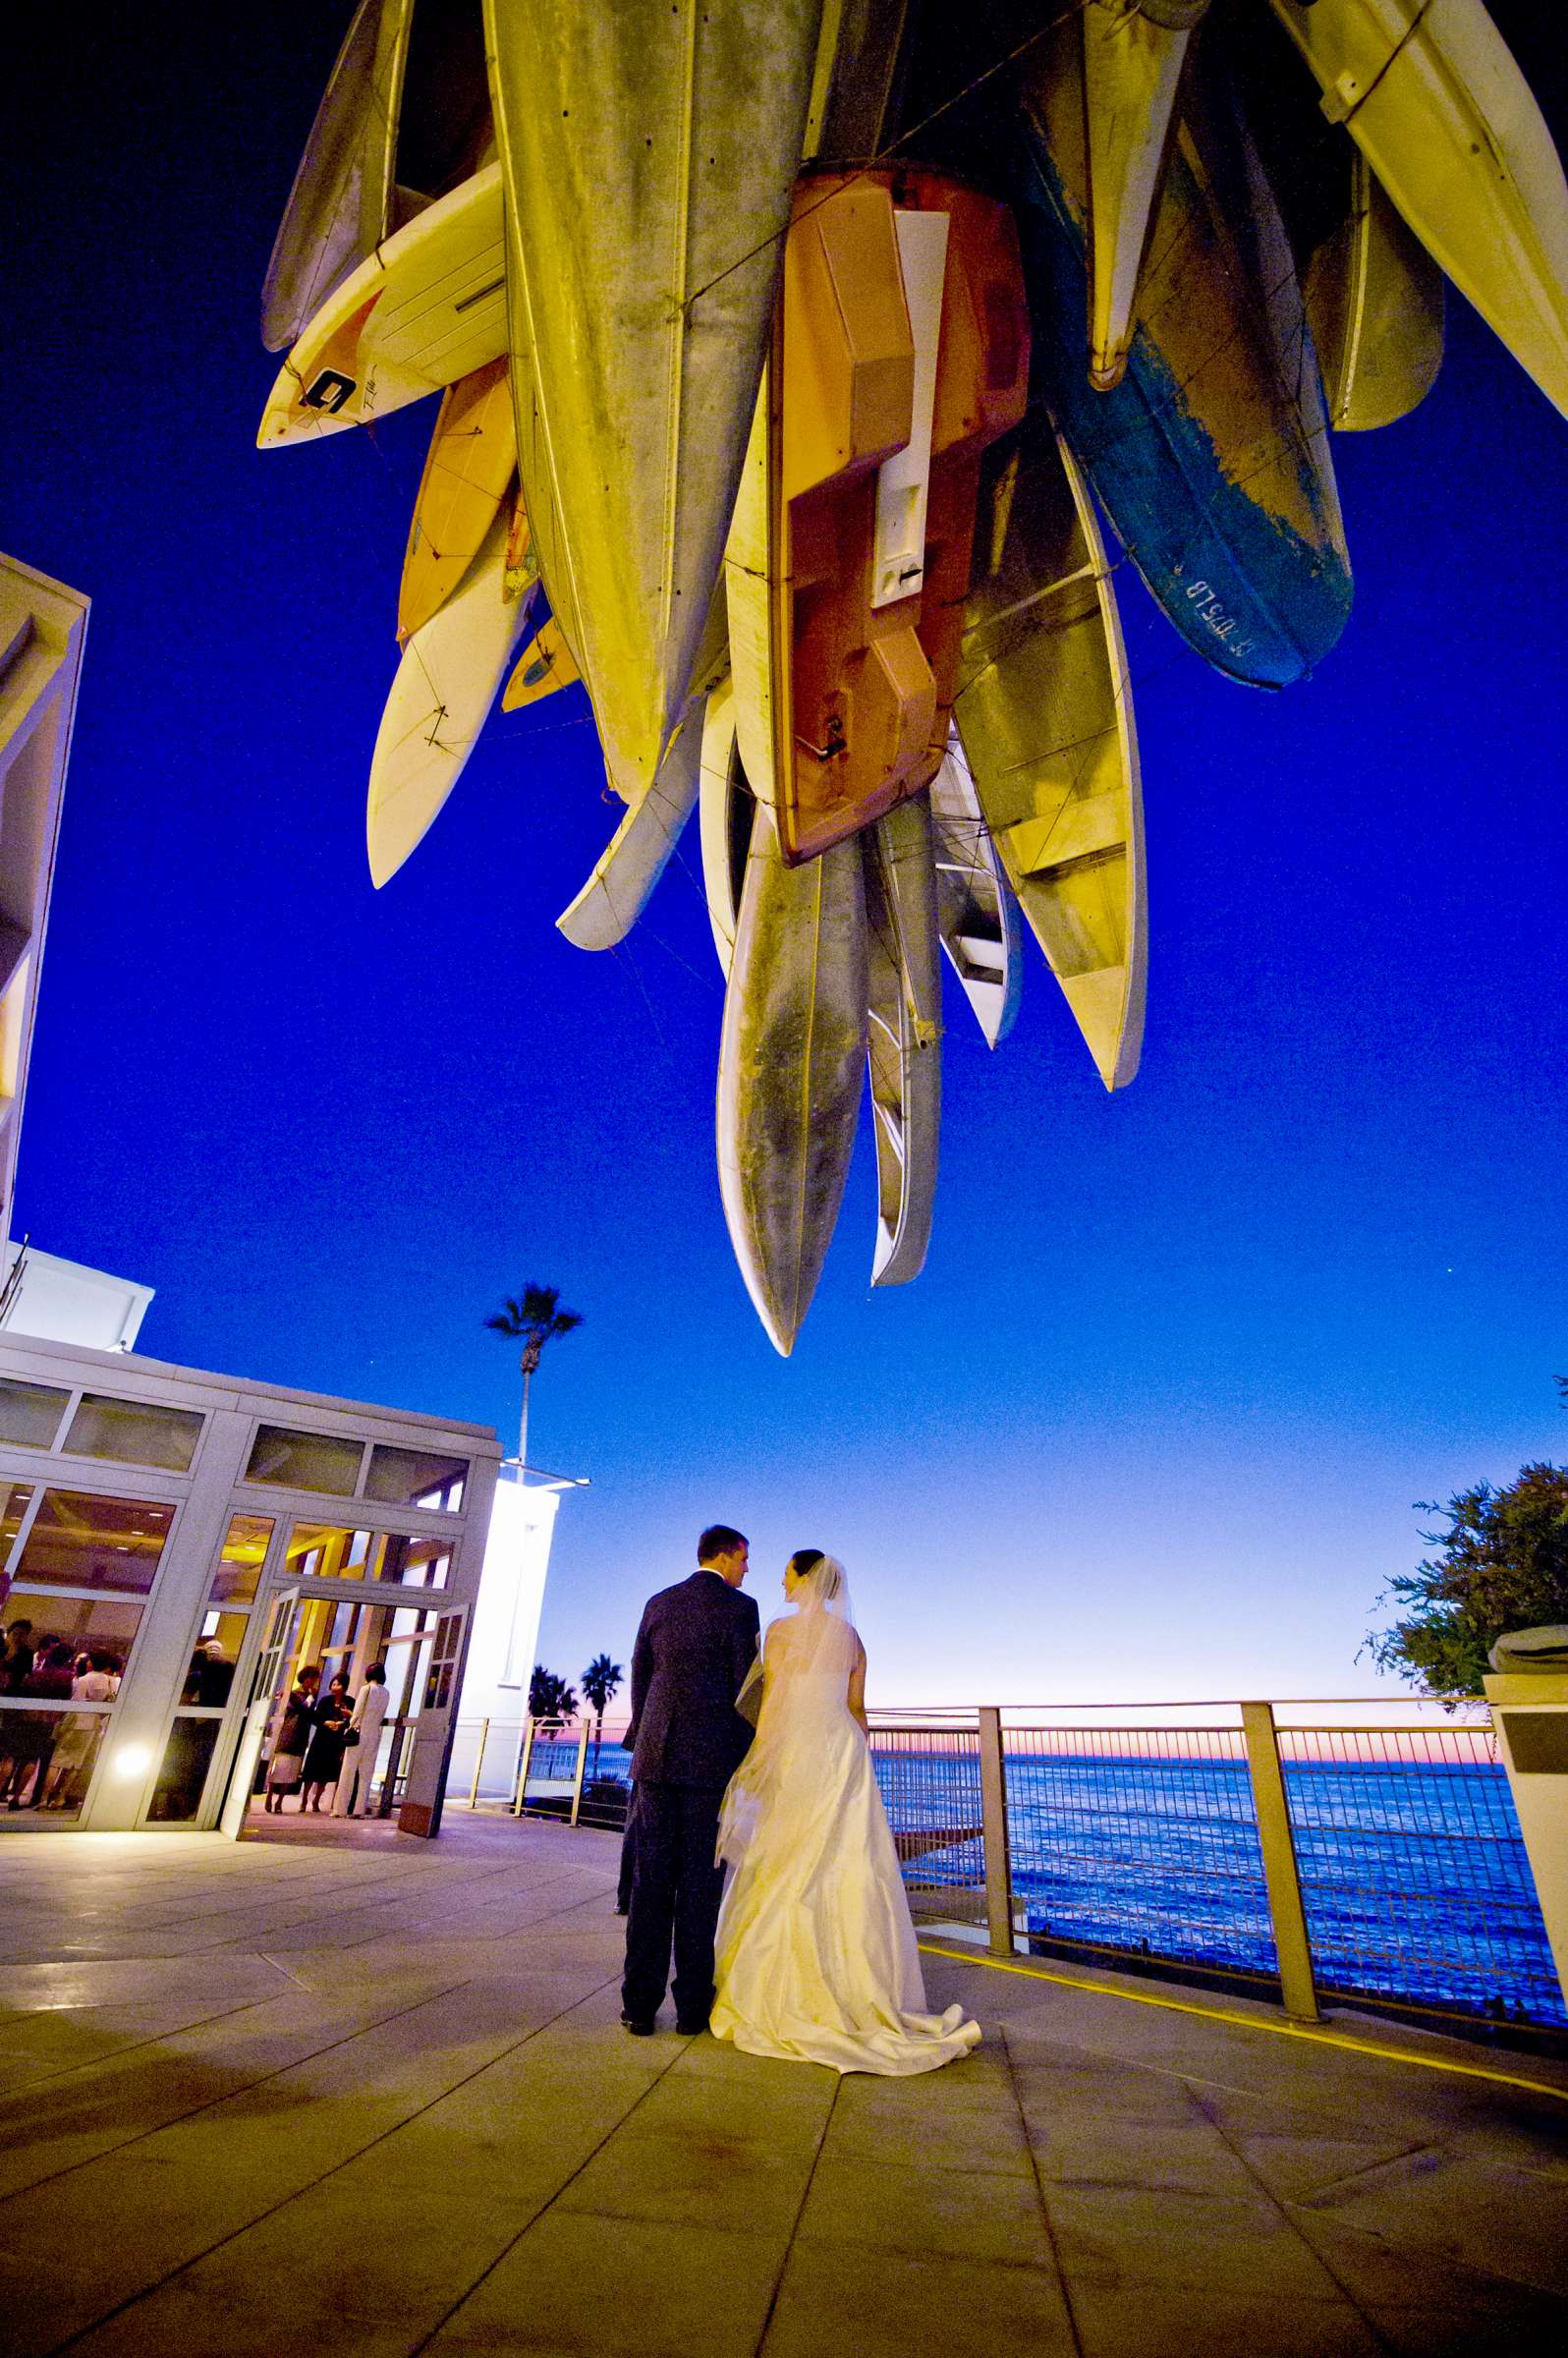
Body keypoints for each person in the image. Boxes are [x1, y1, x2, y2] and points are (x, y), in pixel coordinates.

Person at [710, 1548, 980, 2075]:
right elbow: (857, 1710)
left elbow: (771, 1705)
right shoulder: (853, 1639)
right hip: (843, 1752)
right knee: (851, 1863)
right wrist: (863, 1760)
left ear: (806, 1578)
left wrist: (755, 1765)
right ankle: (861, 1987)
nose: (780, 1579)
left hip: (797, 1752)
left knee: (786, 1862)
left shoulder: (780, 1633)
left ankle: (783, 1983)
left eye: (787, 1571)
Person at [621, 1524, 759, 2037]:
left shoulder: (659, 1602)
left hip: (654, 1763)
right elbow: (746, 1691)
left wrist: (650, 1736)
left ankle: (638, 2006)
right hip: (709, 1766)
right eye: (746, 1559)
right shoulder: (741, 1609)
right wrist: (747, 1758)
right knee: (700, 1889)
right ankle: (692, 2010)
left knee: (650, 1883)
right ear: (726, 1557)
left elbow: (640, 1677)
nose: (748, 1569)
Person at [332, 1660, 390, 1818]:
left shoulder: (366, 1689)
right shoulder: (386, 1692)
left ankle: (340, 1809)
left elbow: (357, 1713)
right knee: (366, 1773)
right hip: (375, 1733)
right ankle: (359, 1810)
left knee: (348, 1771)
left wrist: (349, 1725)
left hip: (360, 1732)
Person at [264, 1665, 319, 1812]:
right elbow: (302, 1708)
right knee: (278, 1769)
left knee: (292, 1772)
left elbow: (310, 1714)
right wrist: (310, 1697)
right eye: (310, 1677)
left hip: (301, 1736)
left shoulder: (312, 1697)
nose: (312, 1681)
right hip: (288, 1734)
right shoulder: (293, 1694)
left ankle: (280, 1801)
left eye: (314, 1679)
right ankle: (270, 1796)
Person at [300, 1673, 353, 1812]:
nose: (335, 1687)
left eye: (338, 1684)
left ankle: (317, 1800)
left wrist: (341, 1723)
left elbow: (352, 1719)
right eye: (333, 1684)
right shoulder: (325, 1700)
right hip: (321, 1738)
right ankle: (304, 1799)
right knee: (311, 1771)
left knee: (326, 1772)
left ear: (345, 1686)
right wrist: (325, 1723)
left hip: (335, 1741)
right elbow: (315, 1717)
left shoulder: (349, 1701)